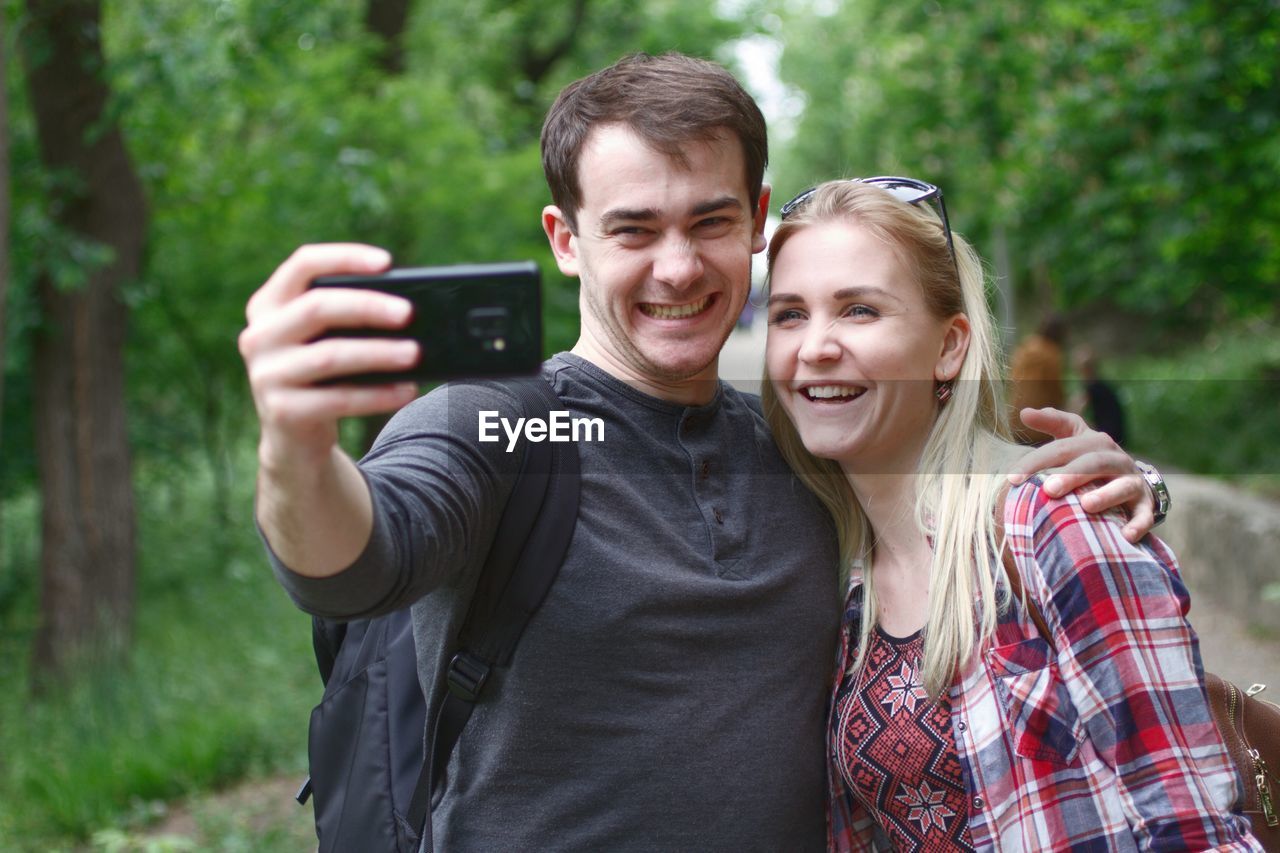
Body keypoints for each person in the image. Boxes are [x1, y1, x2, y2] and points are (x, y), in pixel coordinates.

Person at [238, 54, 1160, 849]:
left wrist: (1115, 486)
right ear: (567, 240)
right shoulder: (497, 426)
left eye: (710, 222)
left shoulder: (798, 437)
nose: (676, 267)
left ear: (757, 223)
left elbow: (947, 504)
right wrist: (294, 443)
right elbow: (354, 565)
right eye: (634, 229)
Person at [761, 178, 1257, 850]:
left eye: (859, 310)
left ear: (949, 347)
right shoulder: (844, 576)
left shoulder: (1049, 524)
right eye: (790, 314)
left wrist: (1136, 486)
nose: (815, 345)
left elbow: (1195, 829)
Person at [1008, 313, 1067, 444]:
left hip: (1017, 420)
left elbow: (1012, 379)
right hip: (1040, 424)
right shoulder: (1052, 354)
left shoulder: (1025, 348)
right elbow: (1055, 391)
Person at [1074, 345, 1128, 446]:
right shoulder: (1100, 385)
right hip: (1115, 435)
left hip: (1110, 436)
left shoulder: (1092, 387)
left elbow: (1075, 412)